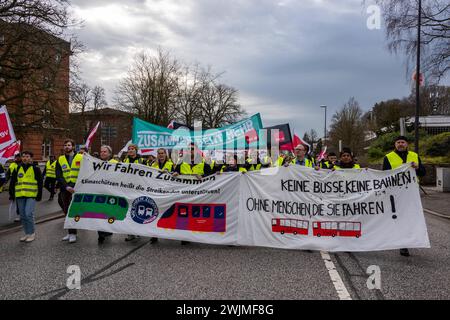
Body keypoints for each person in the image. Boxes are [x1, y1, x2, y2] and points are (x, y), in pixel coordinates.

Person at [383, 135, 426, 257]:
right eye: (398, 142)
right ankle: (403, 244)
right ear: (395, 145)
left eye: (402, 142)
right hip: (396, 193)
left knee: (412, 216)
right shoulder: (388, 157)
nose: (400, 144)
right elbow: (384, 175)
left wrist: (417, 167)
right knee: (400, 217)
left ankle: (411, 239)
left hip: (412, 193)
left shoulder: (414, 156)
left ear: (407, 144)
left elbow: (423, 172)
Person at [172, 143, 211, 245]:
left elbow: (212, 177)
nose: (190, 151)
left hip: (199, 195)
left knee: (196, 214)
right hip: (184, 195)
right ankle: (185, 236)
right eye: (189, 149)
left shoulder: (204, 163)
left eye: (192, 149)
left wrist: (203, 176)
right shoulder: (181, 163)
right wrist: (175, 174)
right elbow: (174, 175)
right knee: (184, 214)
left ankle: (196, 234)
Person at [9, 151, 43, 242]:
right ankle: (26, 233)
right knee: (23, 215)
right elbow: (12, 183)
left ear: (31, 158)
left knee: (28, 214)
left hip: (31, 195)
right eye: (23, 156)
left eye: (27, 156)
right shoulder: (17, 168)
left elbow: (40, 182)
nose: (25, 158)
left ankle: (32, 233)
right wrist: (11, 194)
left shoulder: (35, 168)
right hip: (20, 195)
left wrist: (39, 195)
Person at [56, 139, 84, 244]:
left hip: (77, 188)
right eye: (65, 145)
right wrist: (66, 186)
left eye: (69, 145)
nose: (67, 147)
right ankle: (70, 232)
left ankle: (73, 233)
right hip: (65, 188)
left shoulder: (81, 157)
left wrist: (77, 185)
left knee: (74, 210)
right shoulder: (60, 159)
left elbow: (85, 172)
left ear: (73, 146)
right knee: (66, 210)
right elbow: (58, 175)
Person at [123, 144, 145, 242]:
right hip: (127, 188)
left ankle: (138, 231)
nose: (130, 150)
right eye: (129, 149)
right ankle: (130, 233)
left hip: (138, 188)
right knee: (128, 210)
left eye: (132, 149)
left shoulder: (142, 160)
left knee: (137, 209)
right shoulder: (125, 160)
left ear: (136, 150)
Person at [96, 145, 116, 244]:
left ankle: (108, 230)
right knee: (100, 212)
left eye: (105, 152)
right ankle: (101, 234)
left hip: (111, 193)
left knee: (108, 213)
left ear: (109, 153)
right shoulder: (96, 163)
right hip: (100, 192)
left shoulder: (115, 163)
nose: (102, 153)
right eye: (101, 151)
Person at [6, 154, 22, 222]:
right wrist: (5, 181)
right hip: (12, 184)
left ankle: (20, 215)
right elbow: (8, 174)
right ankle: (18, 215)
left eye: (18, 157)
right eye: (16, 157)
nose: (17, 158)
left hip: (20, 184)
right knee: (14, 199)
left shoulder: (22, 164)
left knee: (19, 201)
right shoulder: (12, 165)